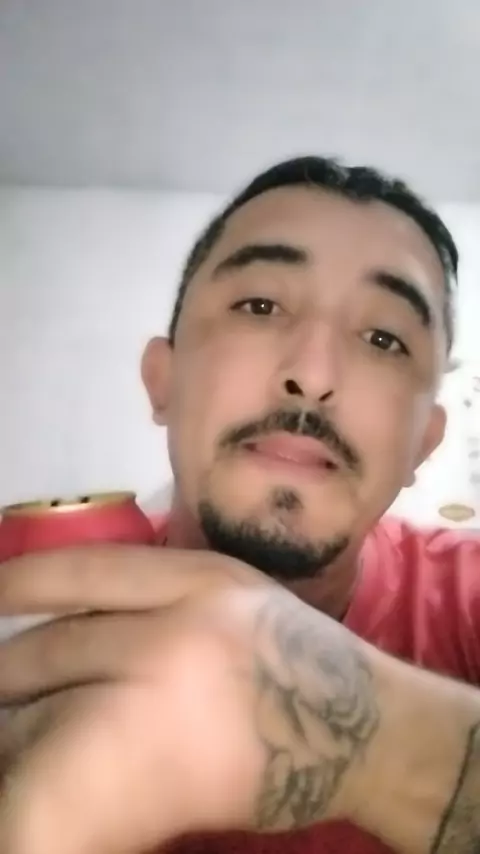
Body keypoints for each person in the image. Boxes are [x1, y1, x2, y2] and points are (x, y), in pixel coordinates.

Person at [0, 156, 479, 854]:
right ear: (163, 382)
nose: (312, 376)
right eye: (260, 306)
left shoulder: (466, 598)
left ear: (423, 445)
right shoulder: (29, 606)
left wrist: (369, 741)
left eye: (384, 339)